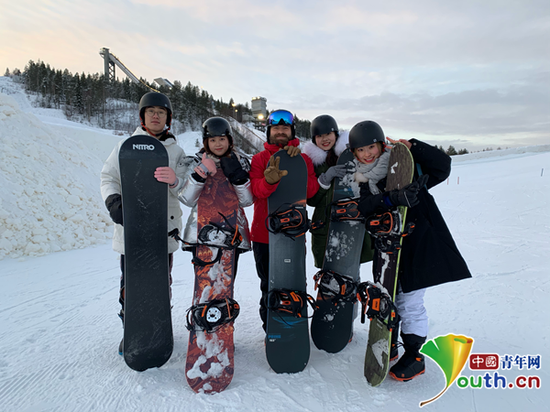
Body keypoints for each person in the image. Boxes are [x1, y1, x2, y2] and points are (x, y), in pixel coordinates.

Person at [353, 120, 472, 382]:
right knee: (388, 297)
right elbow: (364, 207)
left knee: (410, 303)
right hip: (387, 250)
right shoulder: (363, 177)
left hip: (418, 246)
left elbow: (442, 167)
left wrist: (414, 148)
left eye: (371, 147)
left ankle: (415, 356)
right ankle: (390, 342)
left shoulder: (407, 168)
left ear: (381, 144)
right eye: (361, 150)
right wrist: (391, 198)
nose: (367, 154)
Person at [100, 91, 189, 354]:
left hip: (164, 229)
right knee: (131, 283)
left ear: (168, 118)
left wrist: (175, 180)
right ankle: (132, 330)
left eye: (160, 112)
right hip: (133, 230)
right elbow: (108, 177)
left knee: (162, 283)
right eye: (150, 111)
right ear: (142, 116)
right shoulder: (126, 146)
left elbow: (186, 193)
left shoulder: (177, 151)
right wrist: (113, 202)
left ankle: (160, 330)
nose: (155, 116)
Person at [249, 109, 320, 332]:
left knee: (294, 283)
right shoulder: (259, 159)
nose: (280, 131)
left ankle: (294, 326)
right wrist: (270, 181)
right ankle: (271, 328)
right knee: (268, 285)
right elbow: (257, 192)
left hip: (293, 236)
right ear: (269, 131)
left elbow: (310, 192)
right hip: (264, 235)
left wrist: (296, 164)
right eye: (276, 128)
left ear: (291, 132)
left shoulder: (304, 160)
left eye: (285, 128)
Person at [177, 116, 253, 271]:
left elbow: (247, 201)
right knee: (205, 281)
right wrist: (200, 174)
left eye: (221, 139)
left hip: (232, 231)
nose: (218, 144)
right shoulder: (196, 162)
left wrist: (237, 176)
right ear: (206, 142)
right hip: (201, 231)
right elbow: (187, 198)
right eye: (212, 140)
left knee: (225, 282)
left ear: (229, 140)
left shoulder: (241, 162)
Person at [302, 114, 374, 270]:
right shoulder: (312, 164)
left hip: (350, 222)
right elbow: (311, 200)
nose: (324, 139)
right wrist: (325, 180)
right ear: (314, 139)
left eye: (328, 134)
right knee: (328, 276)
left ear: (336, 134)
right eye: (319, 136)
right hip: (325, 226)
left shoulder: (352, 156)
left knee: (350, 272)